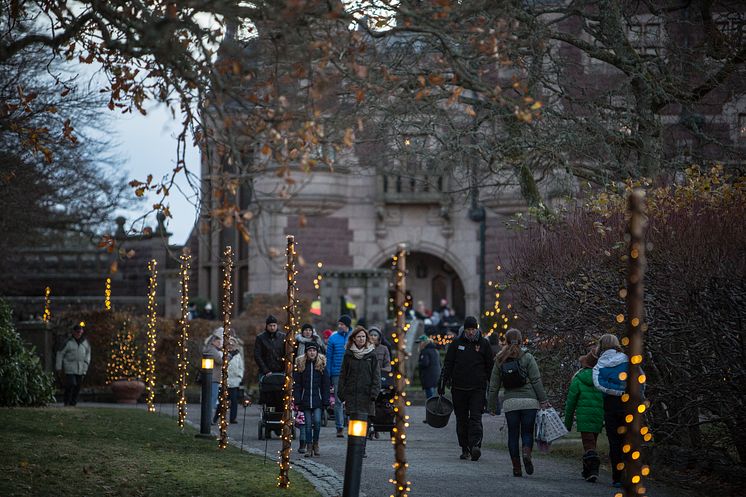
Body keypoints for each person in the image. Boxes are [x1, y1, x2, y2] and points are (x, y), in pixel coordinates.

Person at [487, 328, 550, 477]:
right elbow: (536, 380)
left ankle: (516, 467)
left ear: (505, 341)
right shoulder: (528, 357)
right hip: (529, 402)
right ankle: (526, 452)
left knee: (513, 435)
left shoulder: (499, 358)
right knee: (527, 432)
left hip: (511, 403)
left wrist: (491, 406)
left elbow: (494, 386)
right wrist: (543, 400)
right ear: (521, 341)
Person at [439, 316, 494, 461]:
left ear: (477, 329)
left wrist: (492, 385)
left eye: (473, 329)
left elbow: (490, 366)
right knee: (461, 419)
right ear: (465, 329)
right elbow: (448, 364)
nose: (471, 332)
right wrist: (443, 383)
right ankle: (465, 448)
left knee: (476, 417)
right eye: (468, 329)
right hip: (459, 388)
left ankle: (475, 445)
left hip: (478, 388)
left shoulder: (484, 344)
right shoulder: (456, 344)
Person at [593, 334, 643, 488]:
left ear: (601, 346)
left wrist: (614, 391)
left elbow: (598, 384)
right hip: (629, 404)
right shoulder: (628, 360)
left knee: (614, 443)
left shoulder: (599, 366)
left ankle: (617, 478)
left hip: (611, 406)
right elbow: (641, 379)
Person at [337, 326, 381, 456]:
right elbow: (343, 375)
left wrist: (374, 394)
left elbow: (376, 376)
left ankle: (362, 448)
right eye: (359, 337)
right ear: (354, 339)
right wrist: (342, 394)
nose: (361, 339)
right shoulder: (348, 355)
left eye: (363, 336)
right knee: (354, 423)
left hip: (367, 395)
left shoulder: (371, 355)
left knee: (365, 423)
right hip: (352, 395)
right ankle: (354, 448)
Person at [564, 346, 604, 482]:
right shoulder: (602, 379)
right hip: (598, 417)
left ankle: (593, 471)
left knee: (588, 445)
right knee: (592, 443)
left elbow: (571, 403)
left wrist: (567, 423)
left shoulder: (578, 379)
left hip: (584, 418)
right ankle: (586, 470)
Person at [293, 343, 330, 457]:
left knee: (318, 422)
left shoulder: (321, 366)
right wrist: (298, 400)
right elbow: (297, 385)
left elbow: (325, 385)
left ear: (317, 352)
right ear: (306, 352)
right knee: (308, 424)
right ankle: (309, 447)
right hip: (305, 399)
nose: (312, 352)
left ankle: (316, 444)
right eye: (310, 350)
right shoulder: (301, 366)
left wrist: (325, 401)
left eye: (314, 350)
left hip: (318, 400)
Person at [326, 315, 352, 437]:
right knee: (338, 401)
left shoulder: (354, 337)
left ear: (347, 325)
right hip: (337, 373)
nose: (339, 326)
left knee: (351, 400)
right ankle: (339, 427)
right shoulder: (333, 338)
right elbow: (329, 357)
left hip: (352, 373)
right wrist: (329, 374)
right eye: (339, 324)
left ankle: (352, 425)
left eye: (342, 324)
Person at [55, 322, 91, 406]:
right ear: (74, 332)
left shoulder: (85, 343)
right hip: (69, 367)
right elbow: (60, 354)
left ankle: (73, 403)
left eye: (80, 332)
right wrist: (59, 367)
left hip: (81, 368)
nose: (79, 334)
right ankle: (67, 401)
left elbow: (88, 354)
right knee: (71, 384)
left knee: (77, 386)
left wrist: (86, 365)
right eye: (77, 332)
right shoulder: (68, 342)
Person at [213, 336, 244, 424]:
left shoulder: (237, 355)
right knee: (222, 401)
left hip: (234, 382)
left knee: (234, 401)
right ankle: (215, 418)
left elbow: (241, 367)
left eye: (232, 344)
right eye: (229, 344)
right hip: (224, 382)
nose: (231, 346)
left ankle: (233, 418)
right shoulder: (222, 354)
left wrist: (239, 376)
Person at [203, 329, 224, 423]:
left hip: (211, 377)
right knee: (212, 399)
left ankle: (208, 418)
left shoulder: (209, 349)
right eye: (218, 342)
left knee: (210, 398)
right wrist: (229, 356)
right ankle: (208, 419)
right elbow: (221, 361)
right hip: (213, 378)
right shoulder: (213, 350)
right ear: (213, 342)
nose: (220, 343)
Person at [417, 334, 441, 400]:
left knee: (430, 399)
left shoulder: (425, 351)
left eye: (420, 342)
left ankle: (431, 410)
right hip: (436, 376)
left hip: (428, 377)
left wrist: (419, 363)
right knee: (434, 397)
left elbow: (425, 363)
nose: (419, 344)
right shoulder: (435, 350)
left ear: (424, 342)